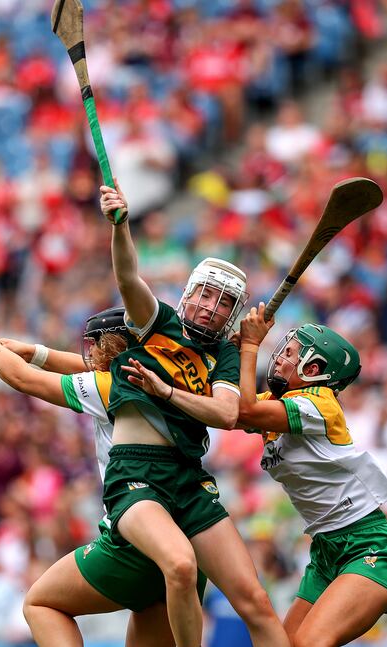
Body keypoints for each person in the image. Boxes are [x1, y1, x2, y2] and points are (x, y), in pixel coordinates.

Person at [98, 181, 290, 647]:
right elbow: (128, 278)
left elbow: (226, 414)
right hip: (139, 475)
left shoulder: (225, 353)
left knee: (257, 602)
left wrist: (165, 391)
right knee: (177, 570)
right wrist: (121, 228)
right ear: (188, 294)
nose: (209, 306)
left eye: (222, 301)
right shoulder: (157, 323)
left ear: (231, 313)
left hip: (187, 479)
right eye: (204, 294)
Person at [0, 307, 185, 647]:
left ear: (114, 348)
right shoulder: (165, 379)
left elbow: (22, 380)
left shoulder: (110, 388)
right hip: (180, 529)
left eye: (98, 347)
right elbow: (82, 368)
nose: (90, 355)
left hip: (137, 531)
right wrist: (33, 352)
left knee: (40, 603)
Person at [235, 303, 387, 647]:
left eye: (289, 353)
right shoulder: (276, 401)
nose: (280, 357)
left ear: (312, 368)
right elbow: (227, 411)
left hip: (369, 545)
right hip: (326, 550)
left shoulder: (319, 402)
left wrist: (250, 347)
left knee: (310, 644)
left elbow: (244, 410)